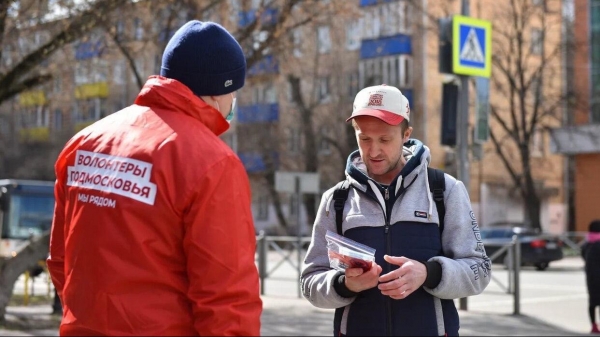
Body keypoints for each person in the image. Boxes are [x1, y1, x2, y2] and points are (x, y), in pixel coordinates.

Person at [47, 20, 262, 336]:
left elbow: (61, 261)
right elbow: (227, 298)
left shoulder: (84, 143)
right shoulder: (213, 163)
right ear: (221, 92)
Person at [301, 84, 491, 336]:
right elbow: (310, 282)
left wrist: (429, 273)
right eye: (364, 138)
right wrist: (344, 285)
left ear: (405, 134)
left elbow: (480, 271)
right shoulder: (336, 199)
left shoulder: (444, 190)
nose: (374, 150)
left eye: (385, 139)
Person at [582, 220, 600, 334]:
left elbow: (584, 257)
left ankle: (593, 326)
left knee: (592, 302)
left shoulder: (586, 244)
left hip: (591, 277)